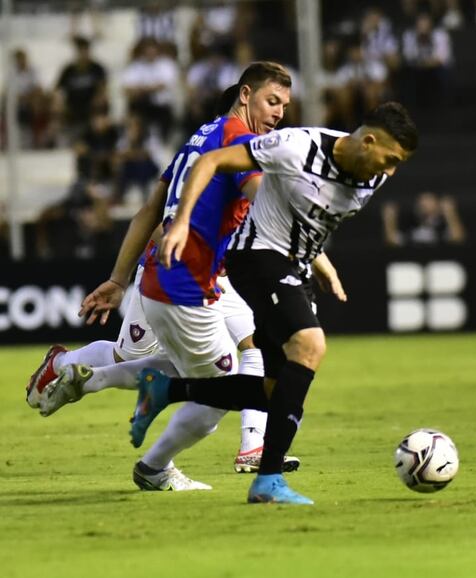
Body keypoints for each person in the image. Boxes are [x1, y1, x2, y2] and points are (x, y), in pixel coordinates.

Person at [29, 62, 317, 489]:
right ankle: (96, 396)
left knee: (242, 346)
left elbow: (151, 209)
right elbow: (258, 203)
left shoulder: (199, 138)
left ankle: (252, 444)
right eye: (272, 102)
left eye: (284, 106)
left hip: (196, 276)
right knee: (212, 388)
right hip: (179, 277)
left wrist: (116, 279)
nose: (279, 113)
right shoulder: (239, 144)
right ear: (244, 95)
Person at [129, 101, 418, 505]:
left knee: (274, 390)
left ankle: (166, 389)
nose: (389, 172)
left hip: (293, 267)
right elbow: (211, 161)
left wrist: (322, 265)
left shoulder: (375, 175)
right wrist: (179, 223)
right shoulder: (295, 147)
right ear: (368, 141)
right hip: (256, 256)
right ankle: (267, 480)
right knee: (310, 345)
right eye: (389, 159)